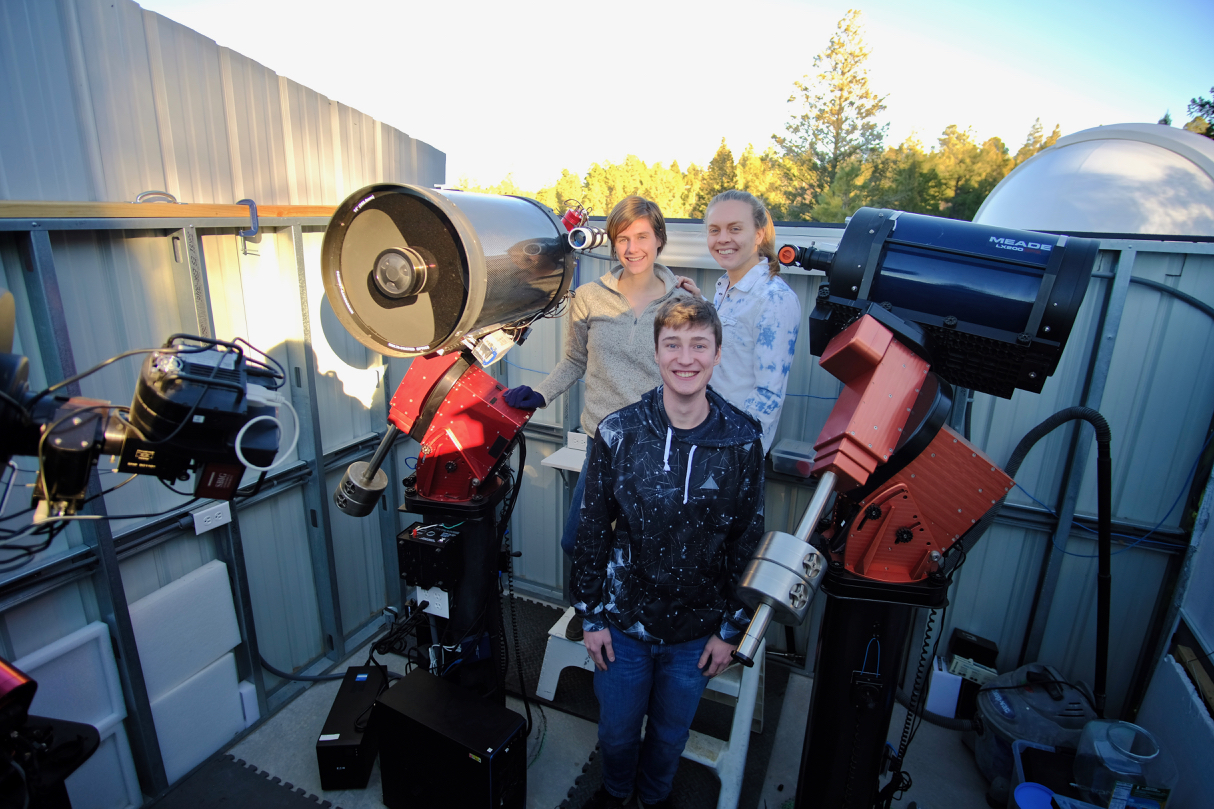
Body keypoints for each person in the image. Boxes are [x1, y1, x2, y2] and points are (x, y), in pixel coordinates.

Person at [571, 297, 765, 809]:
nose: (686, 357)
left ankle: (654, 800)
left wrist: (731, 632)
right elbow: (592, 531)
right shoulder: (618, 431)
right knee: (616, 734)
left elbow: (749, 542)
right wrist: (591, 617)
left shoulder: (742, 440)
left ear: (717, 353)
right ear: (656, 353)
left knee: (668, 739)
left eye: (699, 344)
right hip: (622, 627)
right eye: (673, 345)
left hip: (696, 633)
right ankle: (616, 795)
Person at [503, 196, 687, 640]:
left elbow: (693, 372)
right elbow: (574, 361)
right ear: (611, 243)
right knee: (577, 542)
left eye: (642, 236)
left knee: (649, 551)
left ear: (659, 239)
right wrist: (539, 395)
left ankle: (633, 629)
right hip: (604, 448)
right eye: (623, 238)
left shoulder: (682, 302)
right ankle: (592, 616)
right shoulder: (589, 297)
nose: (633, 247)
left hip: (660, 450)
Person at [679, 190, 801, 454]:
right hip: (702, 437)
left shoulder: (774, 299)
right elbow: (733, 343)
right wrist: (702, 303)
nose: (723, 239)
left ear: (759, 234)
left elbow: (768, 396)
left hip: (731, 450)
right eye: (715, 230)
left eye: (735, 228)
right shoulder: (726, 287)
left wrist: (733, 453)